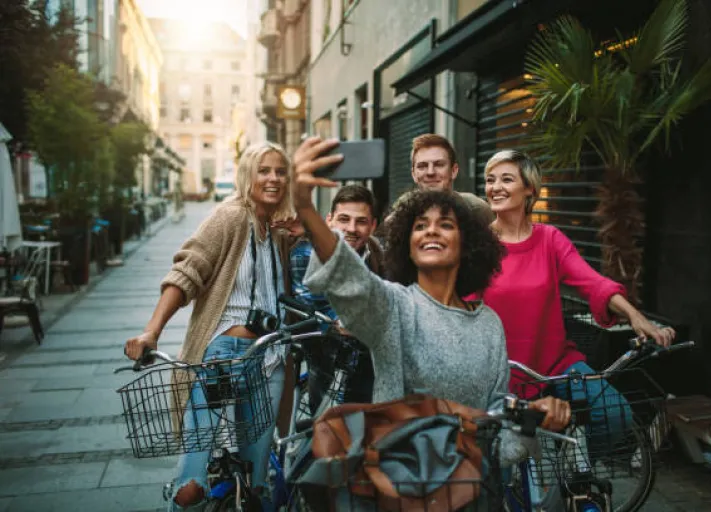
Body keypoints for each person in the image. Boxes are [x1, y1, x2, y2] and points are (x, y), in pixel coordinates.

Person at [290, 136, 572, 467]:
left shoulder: (488, 324)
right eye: (420, 226)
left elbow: (498, 433)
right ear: (406, 246)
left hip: (471, 491)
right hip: (404, 488)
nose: (431, 232)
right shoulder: (394, 307)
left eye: (446, 225)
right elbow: (349, 274)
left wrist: (533, 420)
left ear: (466, 244)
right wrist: (305, 208)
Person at [124, 141, 295, 511]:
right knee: (192, 484)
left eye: (280, 171)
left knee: (256, 479)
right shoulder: (231, 217)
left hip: (269, 361)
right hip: (222, 357)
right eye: (264, 170)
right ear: (247, 174)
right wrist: (151, 331)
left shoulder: (279, 231)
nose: (273, 178)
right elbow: (187, 270)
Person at [472, 149, 676, 444]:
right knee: (507, 462)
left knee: (615, 412)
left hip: (555, 364)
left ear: (529, 188)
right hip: (500, 371)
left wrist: (636, 317)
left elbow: (591, 282)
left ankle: (574, 473)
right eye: (490, 180)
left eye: (506, 179)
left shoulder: (550, 239)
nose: (495, 187)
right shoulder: (479, 245)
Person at [289, 184, 383, 408]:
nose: (351, 228)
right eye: (344, 219)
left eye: (361, 221)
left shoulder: (377, 254)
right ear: (329, 220)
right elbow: (323, 311)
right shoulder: (306, 254)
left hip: (368, 364)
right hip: (327, 360)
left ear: (373, 226)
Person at [384, 133, 494, 226]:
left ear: (454, 171)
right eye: (422, 166)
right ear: (413, 174)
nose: (430, 172)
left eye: (439, 164)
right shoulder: (404, 208)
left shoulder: (476, 210)